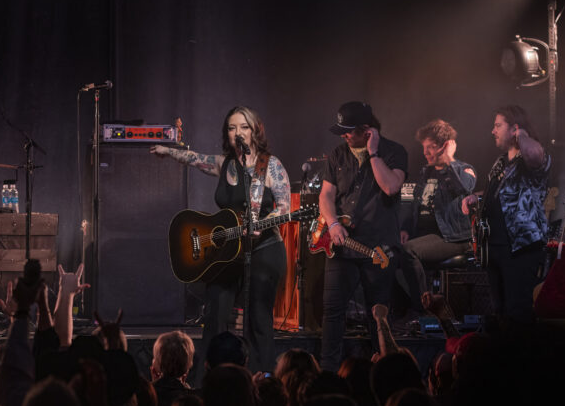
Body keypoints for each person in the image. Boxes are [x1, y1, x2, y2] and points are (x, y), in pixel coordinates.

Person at [151, 106, 290, 373]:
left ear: (255, 131)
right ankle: (207, 378)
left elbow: (284, 208)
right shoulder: (224, 163)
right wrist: (168, 151)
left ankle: (260, 378)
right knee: (215, 313)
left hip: (264, 248)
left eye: (244, 127)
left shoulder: (270, 165)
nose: (238, 133)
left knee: (258, 319)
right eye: (232, 128)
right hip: (229, 251)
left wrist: (260, 224)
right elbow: (195, 158)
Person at [318, 101, 407, 372]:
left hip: (378, 248)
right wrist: (333, 223)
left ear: (366, 130)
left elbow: (390, 187)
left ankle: (382, 375)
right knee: (332, 311)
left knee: (378, 315)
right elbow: (326, 195)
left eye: (349, 131)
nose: (344, 136)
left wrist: (373, 153)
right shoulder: (338, 154)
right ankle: (328, 374)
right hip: (343, 246)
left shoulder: (394, 152)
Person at [461, 105, 550, 323]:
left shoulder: (531, 157)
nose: (493, 131)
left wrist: (522, 136)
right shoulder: (501, 161)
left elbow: (535, 155)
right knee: (499, 311)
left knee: (517, 311)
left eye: (498, 125)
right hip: (495, 246)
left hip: (520, 247)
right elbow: (498, 193)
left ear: (514, 128)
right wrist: (476, 198)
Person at [398, 119, 476, 309]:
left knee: (408, 250)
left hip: (452, 238)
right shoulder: (425, 172)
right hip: (423, 236)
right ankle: (402, 309)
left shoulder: (464, 169)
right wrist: (405, 228)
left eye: (431, 147)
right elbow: (414, 205)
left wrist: (450, 159)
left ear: (445, 146)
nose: (425, 152)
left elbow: (463, 189)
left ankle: (424, 309)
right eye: (424, 147)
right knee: (384, 256)